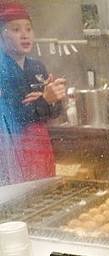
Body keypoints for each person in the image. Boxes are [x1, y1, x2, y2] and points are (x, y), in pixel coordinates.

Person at [0, 1, 65, 185]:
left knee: (45, 193)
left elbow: (54, 113)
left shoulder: (37, 67)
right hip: (13, 150)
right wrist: (44, 101)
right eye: (15, 29)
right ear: (2, 35)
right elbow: (12, 117)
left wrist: (54, 99)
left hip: (40, 147)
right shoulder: (2, 69)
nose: (24, 35)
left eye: (28, 29)